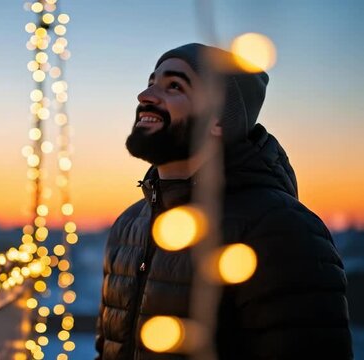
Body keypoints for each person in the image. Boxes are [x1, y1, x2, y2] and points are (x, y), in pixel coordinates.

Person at [95, 43, 352, 359]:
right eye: (151, 83)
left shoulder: (281, 229)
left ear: (218, 120)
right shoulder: (129, 226)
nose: (145, 96)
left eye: (174, 86)